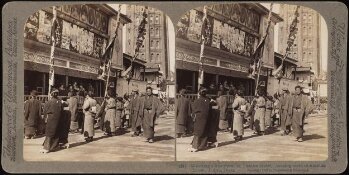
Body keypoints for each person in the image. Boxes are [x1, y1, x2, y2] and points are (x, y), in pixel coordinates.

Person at [40, 88, 64, 153]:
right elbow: (62, 111)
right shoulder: (60, 102)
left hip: (51, 119)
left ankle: (46, 148)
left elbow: (45, 111)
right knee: (56, 133)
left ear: (52, 94)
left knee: (49, 133)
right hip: (58, 119)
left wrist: (44, 119)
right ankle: (54, 146)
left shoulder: (49, 102)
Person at [188, 87, 211, 152]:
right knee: (204, 131)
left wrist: (193, 117)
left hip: (198, 117)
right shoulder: (208, 101)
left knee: (197, 132)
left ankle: (195, 147)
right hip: (206, 117)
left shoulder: (197, 101)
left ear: (199, 93)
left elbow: (193, 110)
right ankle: (202, 145)